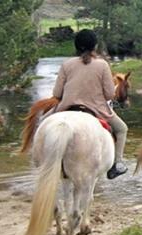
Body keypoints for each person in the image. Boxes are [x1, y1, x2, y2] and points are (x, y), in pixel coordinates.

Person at [52, 29, 128, 179]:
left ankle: (42, 159)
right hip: (96, 110)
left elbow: (56, 94)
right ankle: (116, 164)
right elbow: (109, 94)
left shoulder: (66, 64)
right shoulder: (102, 65)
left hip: (66, 108)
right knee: (121, 129)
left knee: (43, 124)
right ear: (95, 46)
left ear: (76, 46)